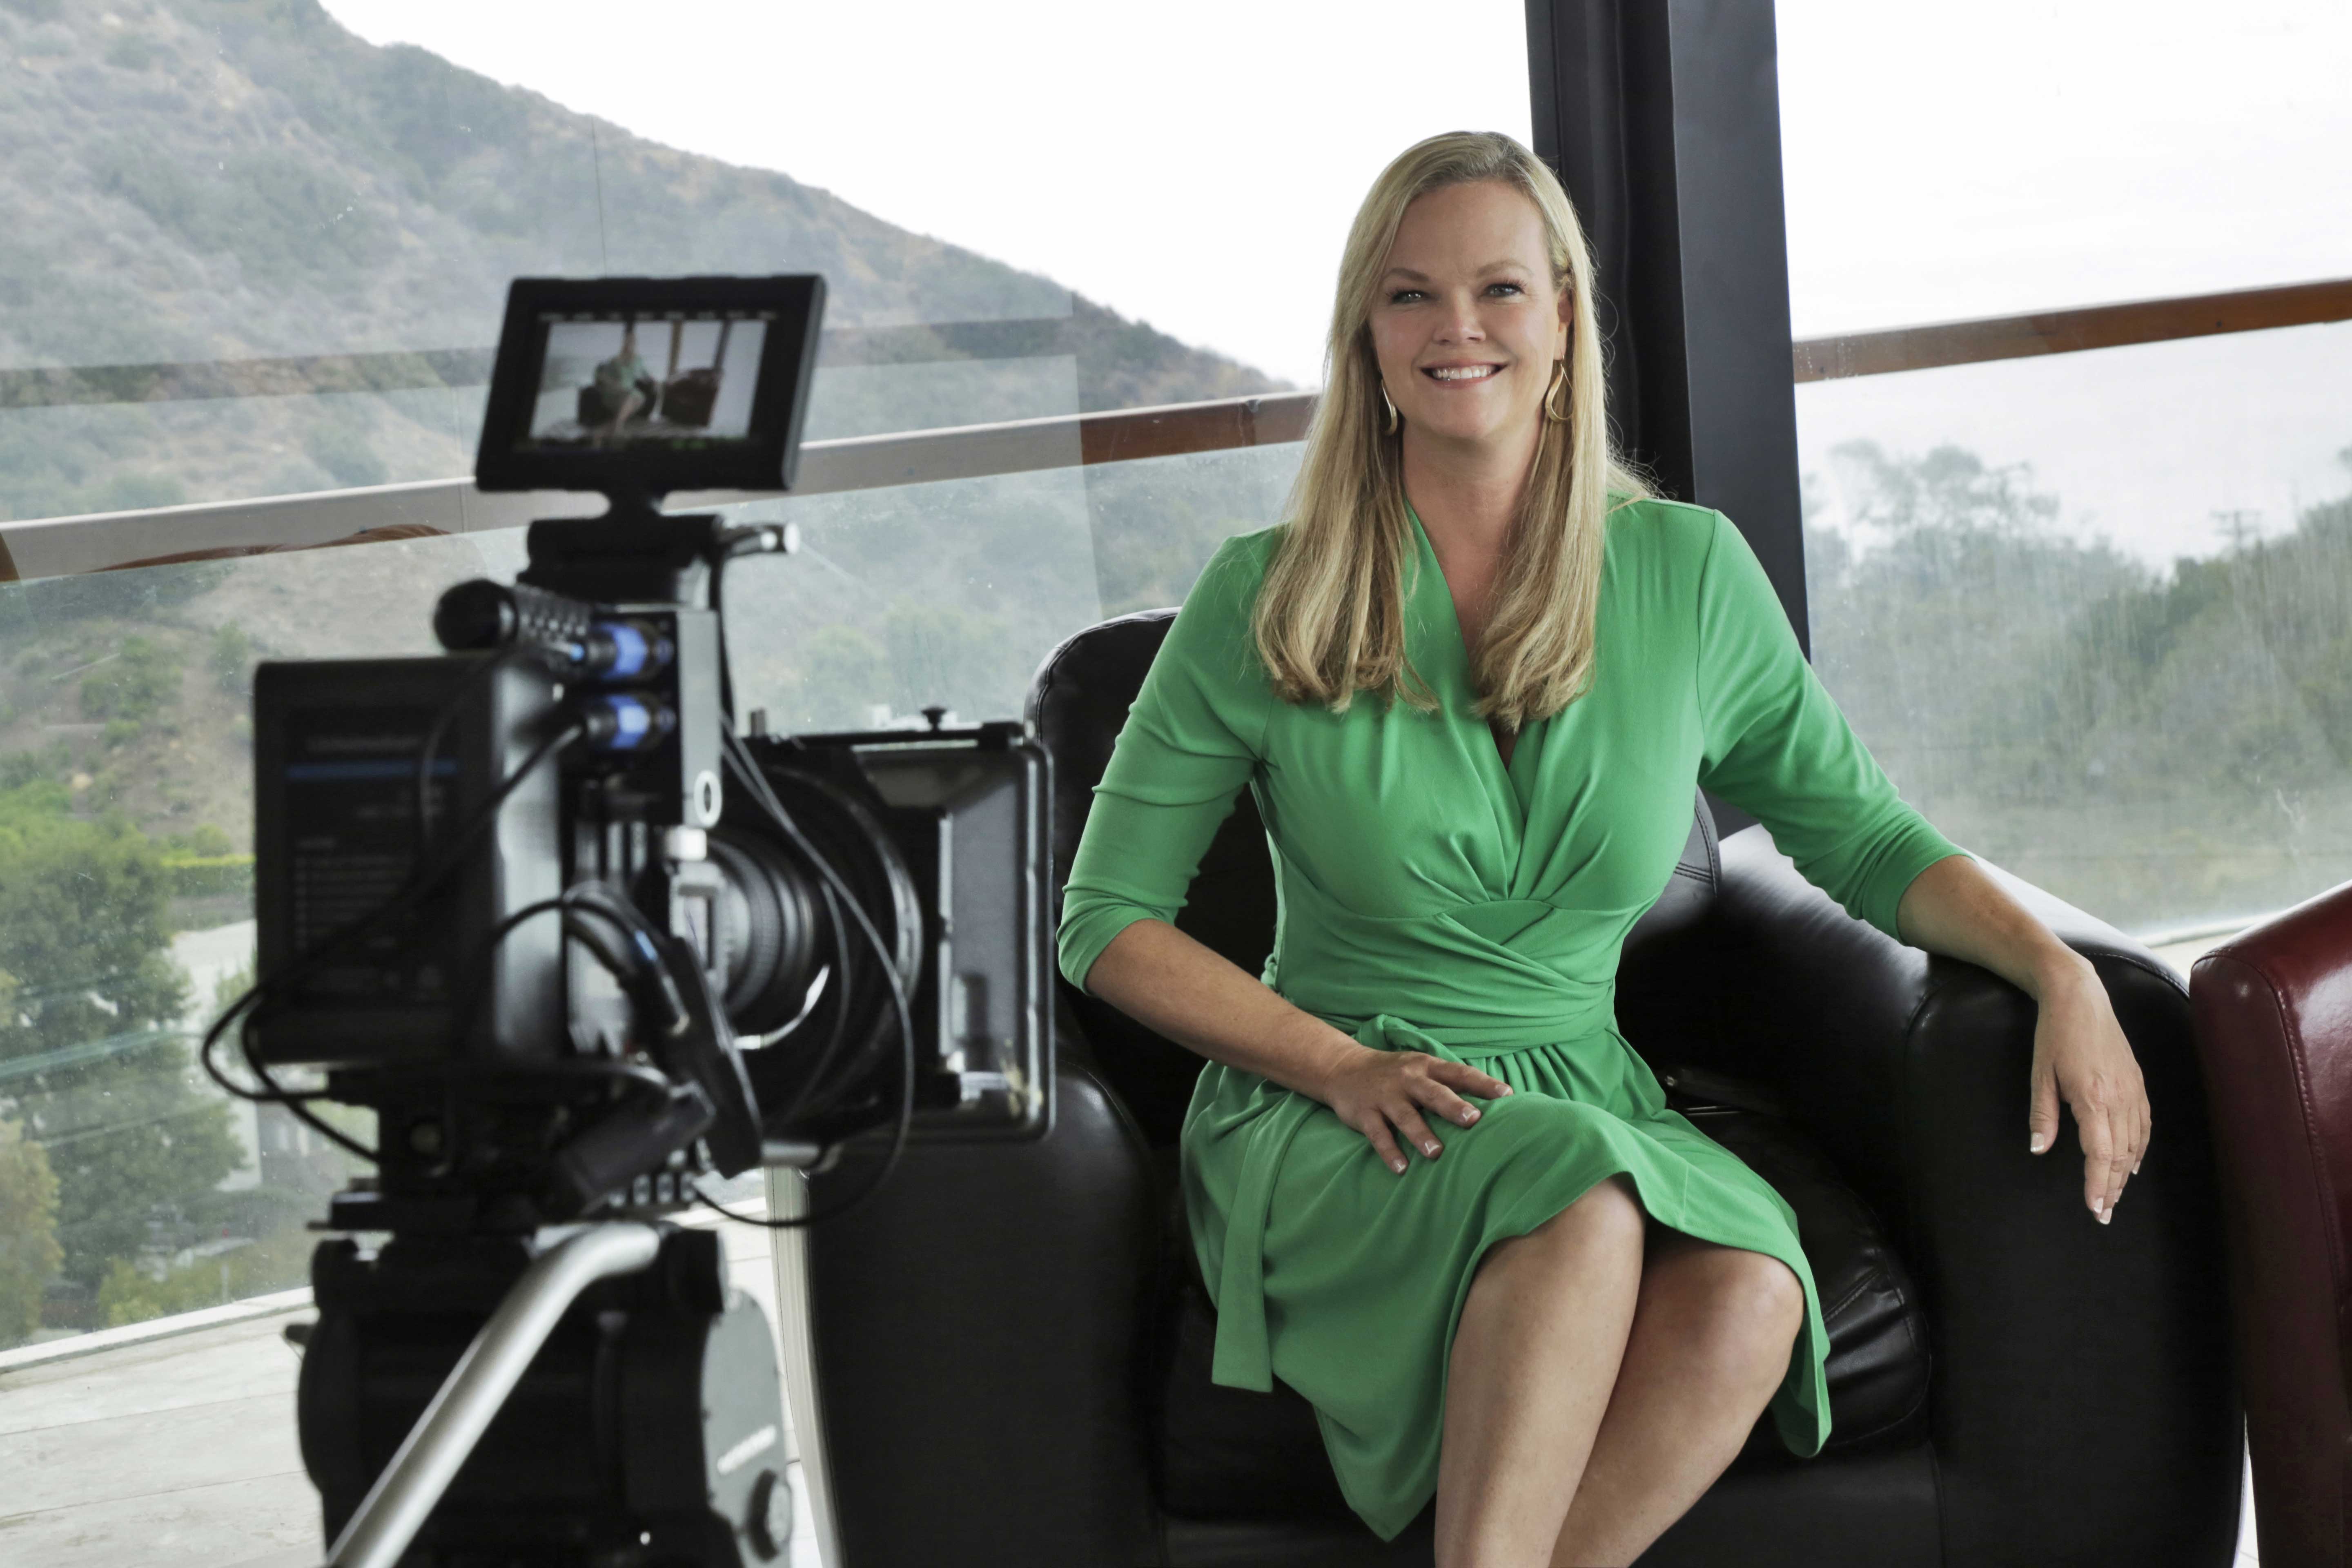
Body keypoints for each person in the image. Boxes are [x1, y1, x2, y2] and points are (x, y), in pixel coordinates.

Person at [1056, 131, 2152, 1568]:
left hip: (1581, 1089)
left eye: (1500, 288)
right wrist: (1335, 1064)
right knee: (1577, 1195)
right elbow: (1106, 918)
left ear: (1565, 318)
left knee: (1752, 1292)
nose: (1457, 327)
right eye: (1410, 294)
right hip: (1338, 1104)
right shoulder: (1266, 595)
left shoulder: (1687, 573)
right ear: (1365, 336)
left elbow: (1862, 832)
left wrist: (2059, 968)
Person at [590, 324, 655, 441]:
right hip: (615, 394)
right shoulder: (616, 360)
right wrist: (614, 384)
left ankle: (614, 426)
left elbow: (646, 374)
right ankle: (617, 428)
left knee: (639, 397)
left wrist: (655, 382)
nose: (630, 343)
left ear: (635, 343)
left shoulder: (638, 360)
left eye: (633, 341)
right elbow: (600, 376)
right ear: (624, 342)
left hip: (631, 394)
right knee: (633, 395)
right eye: (628, 341)